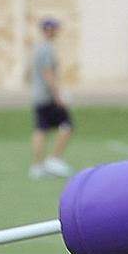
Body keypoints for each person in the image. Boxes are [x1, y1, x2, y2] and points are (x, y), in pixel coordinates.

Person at [28, 17, 75, 179]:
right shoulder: (47, 49)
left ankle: (37, 166)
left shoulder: (38, 48)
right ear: (49, 30)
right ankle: (54, 159)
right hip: (48, 97)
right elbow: (48, 73)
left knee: (41, 130)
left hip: (38, 95)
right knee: (67, 125)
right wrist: (58, 95)